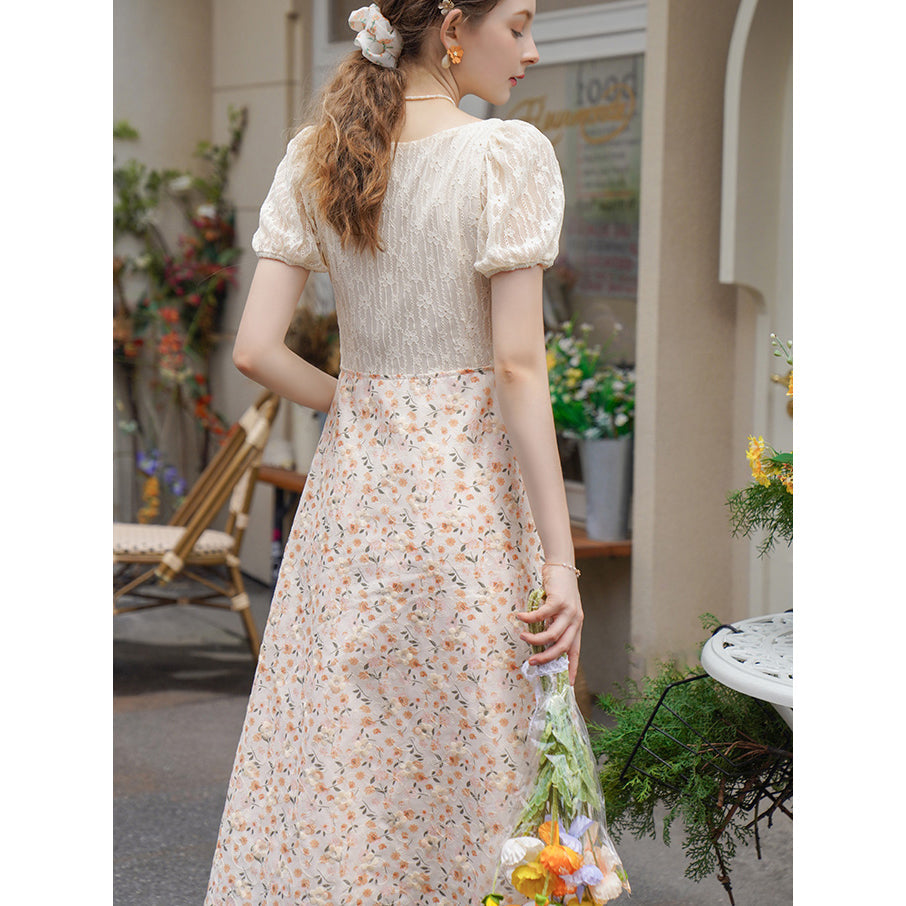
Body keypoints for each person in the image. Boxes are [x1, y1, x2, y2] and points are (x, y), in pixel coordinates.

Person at [205, 2, 584, 902]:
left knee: (349, 762)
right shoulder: (504, 155)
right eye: (519, 25)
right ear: (452, 25)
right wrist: (561, 561)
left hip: (353, 509)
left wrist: (360, 397)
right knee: (477, 759)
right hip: (468, 511)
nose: (532, 50)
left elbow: (255, 350)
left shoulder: (319, 155)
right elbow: (518, 366)